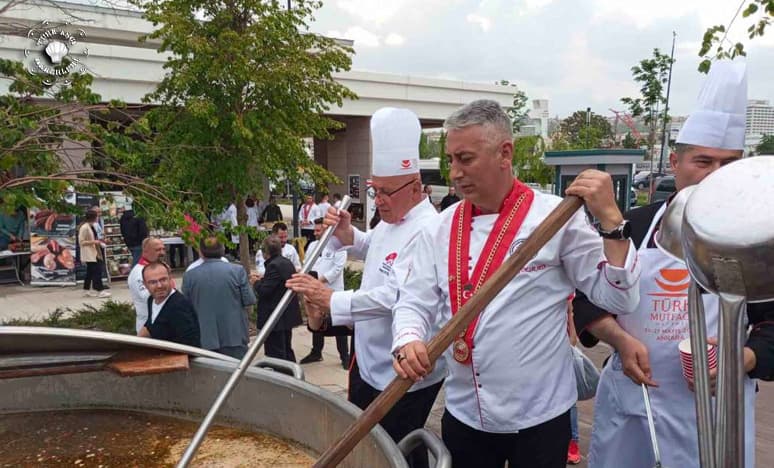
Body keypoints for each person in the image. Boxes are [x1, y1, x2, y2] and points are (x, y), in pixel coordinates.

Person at [391, 100, 641, 468]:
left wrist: (612, 224)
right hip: (465, 414)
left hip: (540, 419)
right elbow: (413, 299)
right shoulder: (439, 228)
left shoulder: (555, 219)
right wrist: (408, 338)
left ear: (504, 153)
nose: (455, 172)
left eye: (466, 158)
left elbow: (619, 296)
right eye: (451, 159)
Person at [575, 61, 774, 468]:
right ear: (674, 162)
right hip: (632, 403)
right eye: (703, 162)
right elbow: (588, 298)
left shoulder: (758, 240)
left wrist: (743, 358)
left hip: (716, 412)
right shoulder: (634, 224)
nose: (716, 175)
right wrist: (620, 340)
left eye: (729, 163)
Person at [287, 107, 447, 468]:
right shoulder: (392, 219)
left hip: (402, 367)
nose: (379, 201)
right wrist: (348, 235)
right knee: (367, 441)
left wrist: (330, 299)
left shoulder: (428, 229)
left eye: (387, 192)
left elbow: (396, 294)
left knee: (397, 448)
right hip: (369, 358)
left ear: (417, 187)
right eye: (375, 190)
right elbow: (374, 246)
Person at [182, 236, 257, 359]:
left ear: (200, 251)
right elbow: (249, 300)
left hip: (204, 337)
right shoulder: (237, 271)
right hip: (234, 335)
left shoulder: (189, 276)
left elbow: (186, 307)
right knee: (238, 374)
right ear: (223, 250)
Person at [298, 217, 349, 368]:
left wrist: (318, 282)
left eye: (318, 230)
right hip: (315, 291)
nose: (314, 233)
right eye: (314, 230)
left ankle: (344, 357)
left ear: (327, 231)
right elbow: (307, 263)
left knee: (340, 323)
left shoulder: (339, 246)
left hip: (334, 292)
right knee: (316, 320)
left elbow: (337, 269)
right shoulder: (313, 245)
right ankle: (316, 352)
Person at [250, 235, 302, 362]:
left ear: (265, 253)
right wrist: (263, 280)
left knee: (276, 352)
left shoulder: (274, 266)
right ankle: (291, 375)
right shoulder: (286, 262)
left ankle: (283, 376)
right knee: (286, 348)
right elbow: (277, 284)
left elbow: (265, 291)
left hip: (276, 317)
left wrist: (255, 283)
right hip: (284, 315)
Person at [138, 261, 200, 348]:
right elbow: (150, 326)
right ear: (145, 284)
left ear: (170, 278)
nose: (159, 285)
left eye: (163, 280)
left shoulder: (179, 307)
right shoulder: (151, 300)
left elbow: (190, 344)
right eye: (153, 282)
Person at [128, 236, 166, 334]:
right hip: (148, 329)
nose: (162, 253)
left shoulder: (158, 268)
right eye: (157, 250)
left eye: (163, 249)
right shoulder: (138, 272)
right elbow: (152, 297)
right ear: (145, 252)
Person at [78, 210, 111, 298]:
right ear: (94, 217)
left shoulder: (91, 226)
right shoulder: (85, 227)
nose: (98, 217)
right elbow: (81, 241)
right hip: (89, 252)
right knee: (97, 271)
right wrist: (95, 241)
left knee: (90, 272)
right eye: (97, 216)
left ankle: (86, 290)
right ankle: (99, 290)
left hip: (94, 251)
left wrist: (100, 241)